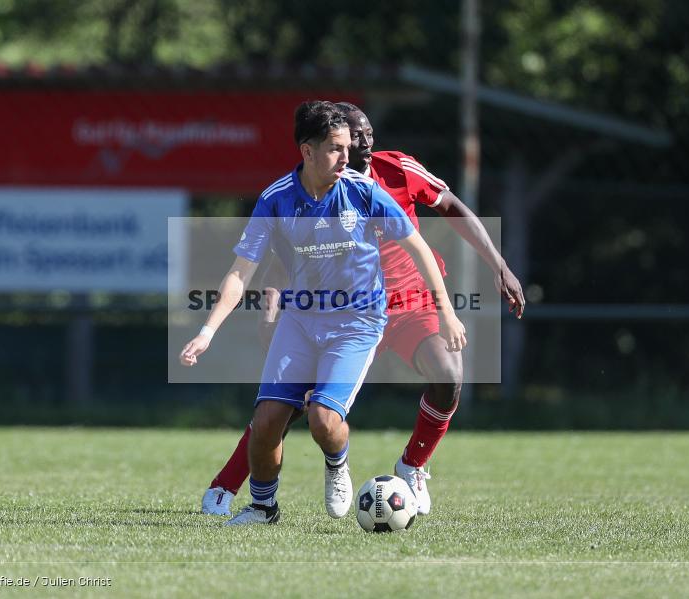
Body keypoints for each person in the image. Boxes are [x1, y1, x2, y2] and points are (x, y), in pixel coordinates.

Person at [201, 103, 525, 518]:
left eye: (369, 132)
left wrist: (497, 265)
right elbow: (285, 260)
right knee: (285, 406)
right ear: (328, 146)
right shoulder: (310, 189)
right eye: (355, 136)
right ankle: (230, 486)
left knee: (449, 374)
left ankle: (412, 466)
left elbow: (452, 208)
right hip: (337, 309)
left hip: (408, 303)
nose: (366, 142)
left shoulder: (397, 170)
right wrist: (271, 311)